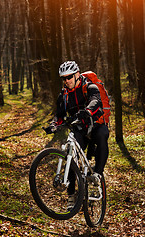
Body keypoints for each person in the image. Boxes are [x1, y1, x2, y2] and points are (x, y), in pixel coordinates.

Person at [46, 61, 109, 210]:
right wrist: (54, 124)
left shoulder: (90, 87)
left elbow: (95, 100)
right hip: (79, 128)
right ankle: (71, 195)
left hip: (95, 124)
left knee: (102, 136)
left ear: (77, 75)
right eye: (64, 78)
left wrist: (87, 111)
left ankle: (97, 175)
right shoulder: (64, 95)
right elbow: (59, 114)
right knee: (70, 153)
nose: (66, 81)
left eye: (69, 77)